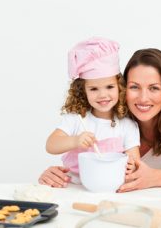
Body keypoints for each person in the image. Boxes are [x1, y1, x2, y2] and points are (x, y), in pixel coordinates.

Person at [39, 47, 161, 190]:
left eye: (154, 88)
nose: (143, 98)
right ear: (122, 87)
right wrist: (59, 175)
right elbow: (66, 147)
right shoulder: (108, 113)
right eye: (134, 87)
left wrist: (155, 178)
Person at [45, 37, 140, 183]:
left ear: (120, 87)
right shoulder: (76, 119)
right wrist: (75, 141)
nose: (103, 95)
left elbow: (134, 162)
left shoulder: (127, 126)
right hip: (74, 187)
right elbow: (51, 145)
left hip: (111, 188)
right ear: (83, 91)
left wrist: (131, 165)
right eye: (94, 89)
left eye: (109, 87)